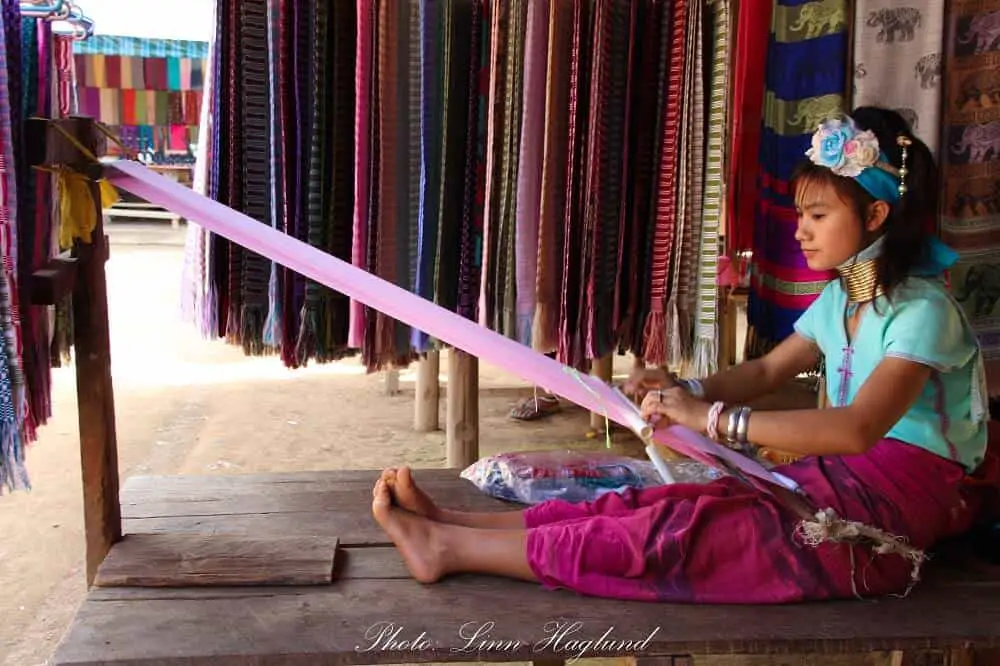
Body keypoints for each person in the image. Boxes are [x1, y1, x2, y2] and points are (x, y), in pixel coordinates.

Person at [370, 107, 995, 603]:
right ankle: (455, 526)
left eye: (818, 214)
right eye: (802, 213)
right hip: (834, 486)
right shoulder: (841, 302)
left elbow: (859, 429)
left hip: (886, 520)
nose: (800, 229)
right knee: (665, 504)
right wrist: (685, 391)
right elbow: (764, 371)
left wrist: (714, 421)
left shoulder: (923, 312)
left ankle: (448, 551)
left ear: (877, 214)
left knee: (680, 538)